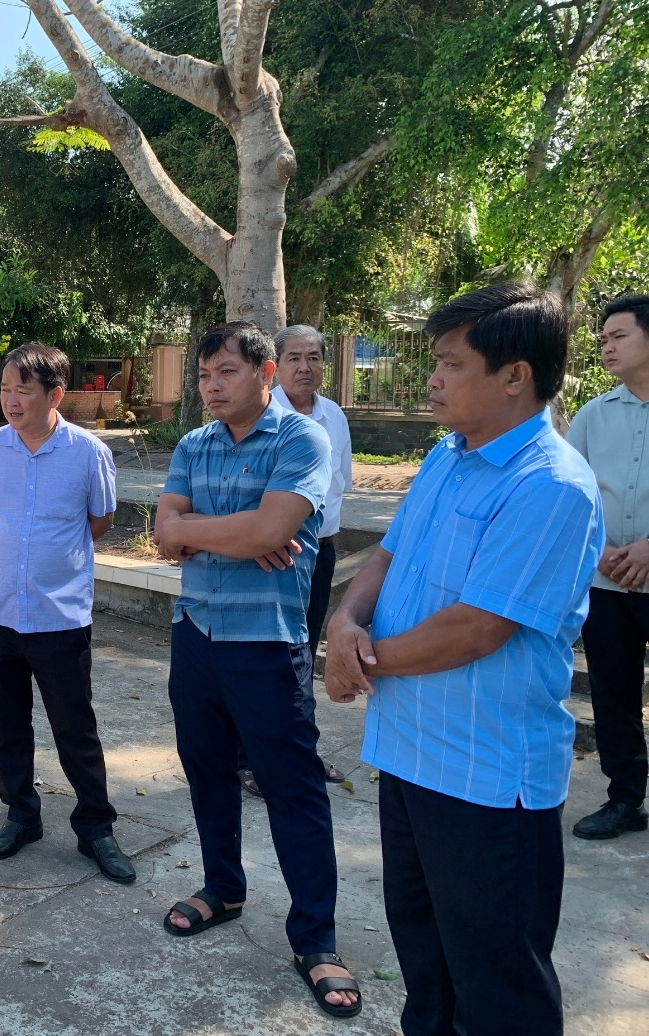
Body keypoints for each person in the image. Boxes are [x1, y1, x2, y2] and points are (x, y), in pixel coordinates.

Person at [325, 284, 603, 1036]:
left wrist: (361, 661)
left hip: (485, 778)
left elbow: (478, 628)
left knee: (499, 987)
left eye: (451, 364)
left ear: (515, 376)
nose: (433, 379)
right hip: (408, 755)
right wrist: (345, 622)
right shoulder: (448, 457)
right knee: (426, 967)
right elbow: (389, 553)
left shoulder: (549, 485)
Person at [155, 321, 360, 1019]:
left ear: (265, 374)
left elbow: (271, 533)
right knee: (206, 768)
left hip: (268, 643)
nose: (211, 387)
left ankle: (316, 938)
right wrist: (237, 534)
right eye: (203, 375)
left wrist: (210, 531)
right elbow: (163, 533)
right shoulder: (193, 444)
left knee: (291, 787)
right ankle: (223, 888)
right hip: (196, 633)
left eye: (226, 373)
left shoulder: (302, 440)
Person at [0, 343, 136, 884]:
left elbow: (100, 520)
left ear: (55, 394)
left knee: (74, 728)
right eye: (5, 389)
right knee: (6, 727)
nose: (10, 400)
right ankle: (22, 815)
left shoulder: (89, 452)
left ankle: (96, 828)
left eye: (23, 390)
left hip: (59, 616)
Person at [238, 323, 353, 798]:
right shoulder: (261, 417)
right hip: (272, 555)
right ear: (275, 367)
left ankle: (300, 751)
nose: (305, 367)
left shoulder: (334, 417)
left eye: (314, 357)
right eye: (295, 358)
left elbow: (339, 484)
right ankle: (251, 760)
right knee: (267, 658)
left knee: (302, 653)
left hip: (318, 554)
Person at [567, 293, 649, 840]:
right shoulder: (594, 415)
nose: (606, 348)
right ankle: (625, 800)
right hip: (606, 582)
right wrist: (596, 551)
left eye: (618, 336)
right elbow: (570, 493)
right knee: (613, 694)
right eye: (602, 340)